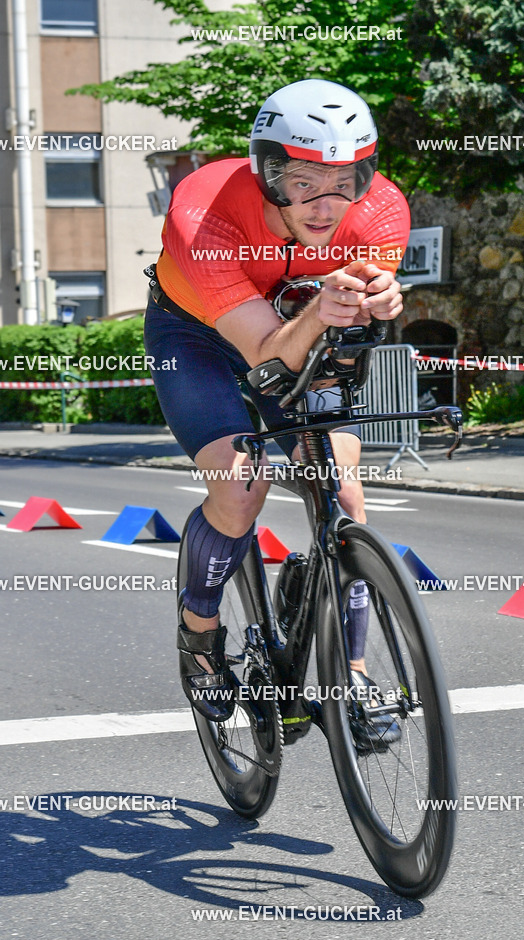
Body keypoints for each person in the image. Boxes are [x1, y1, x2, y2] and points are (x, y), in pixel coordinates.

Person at [143, 79, 410, 723]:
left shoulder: (380, 212)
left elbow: (342, 343)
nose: (326, 205)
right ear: (267, 175)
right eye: (302, 182)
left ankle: (353, 674)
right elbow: (265, 351)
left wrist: (371, 309)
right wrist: (323, 309)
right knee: (240, 488)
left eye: (345, 180)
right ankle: (200, 633)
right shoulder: (202, 214)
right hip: (198, 333)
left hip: (296, 322)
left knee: (342, 489)